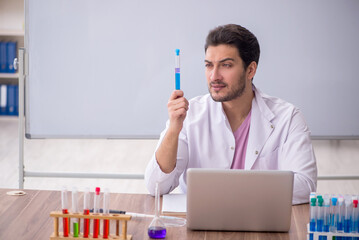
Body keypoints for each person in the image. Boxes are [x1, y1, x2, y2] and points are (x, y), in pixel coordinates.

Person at [145, 24, 317, 205]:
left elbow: (305, 186)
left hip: (260, 225)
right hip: (202, 227)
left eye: (226, 65)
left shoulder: (287, 118)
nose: (214, 76)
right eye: (209, 65)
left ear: (250, 70)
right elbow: (156, 186)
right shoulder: (190, 115)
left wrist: (234, 190)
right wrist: (173, 129)